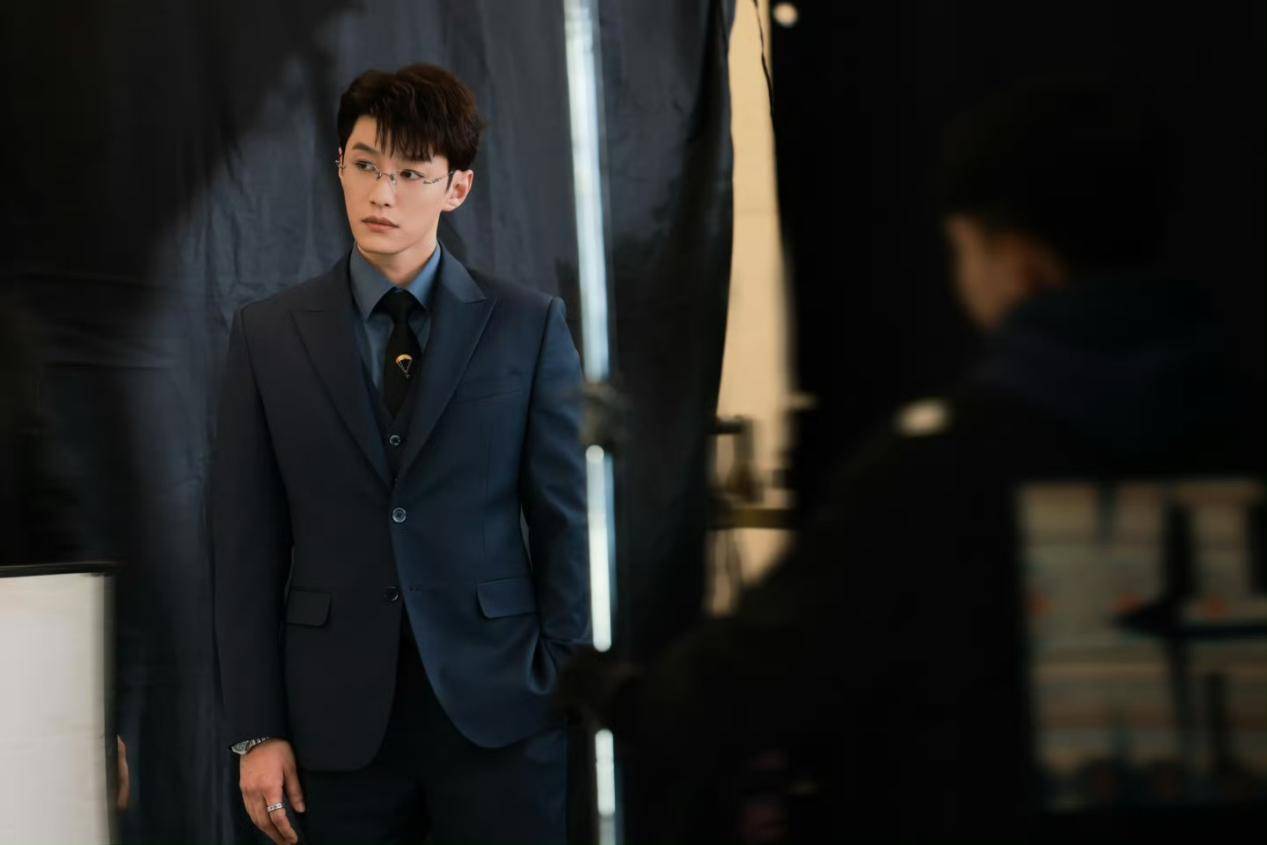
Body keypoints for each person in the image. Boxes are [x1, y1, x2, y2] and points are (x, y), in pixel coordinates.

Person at [561, 79, 1264, 842]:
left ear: (1018, 263)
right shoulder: (1240, 432)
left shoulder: (943, 468)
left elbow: (750, 681)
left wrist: (616, 693)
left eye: (965, 251)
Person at [212, 63, 590, 845]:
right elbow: (243, 541)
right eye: (364, 165)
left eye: (411, 173)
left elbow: (565, 522)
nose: (381, 194)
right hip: (328, 723)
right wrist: (256, 728)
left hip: (500, 709)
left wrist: (559, 678)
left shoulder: (527, 325)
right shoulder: (266, 334)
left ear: (457, 188)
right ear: (339, 167)